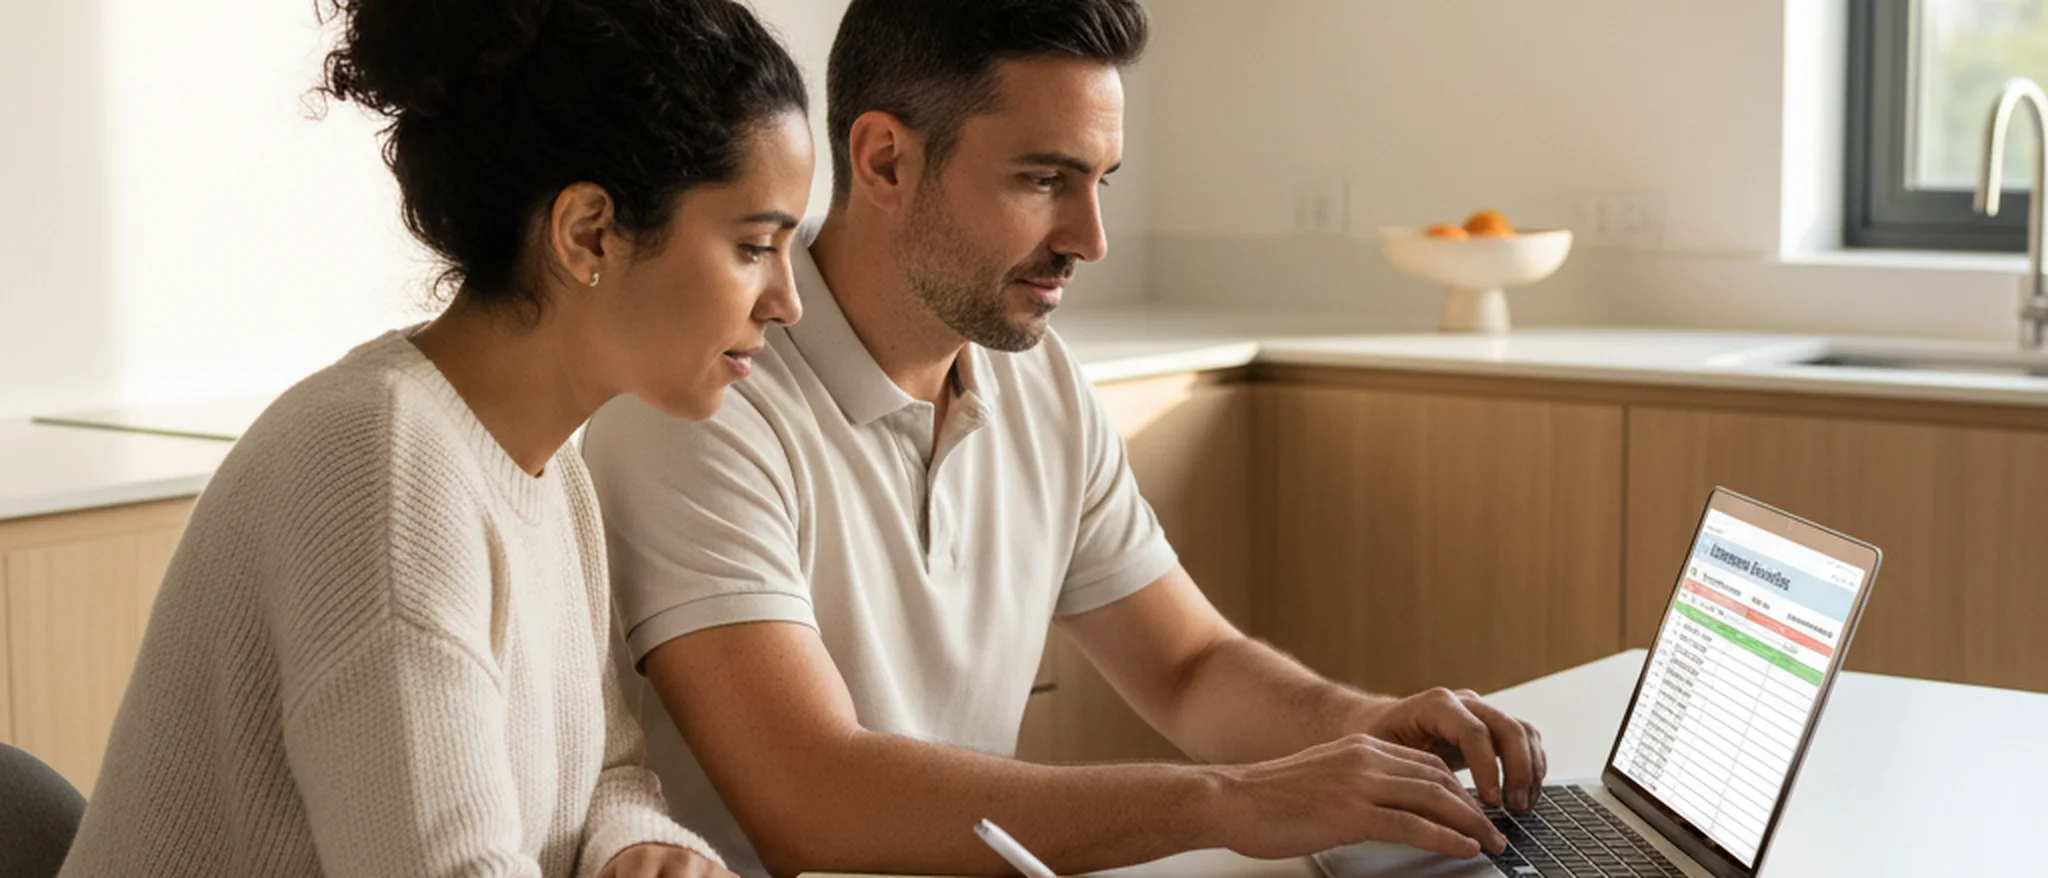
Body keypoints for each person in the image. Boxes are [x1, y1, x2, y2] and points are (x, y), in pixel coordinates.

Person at [583, 1, 1547, 875]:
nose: (1090, 237)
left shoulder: (1035, 377)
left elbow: (1188, 665)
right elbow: (813, 799)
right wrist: (1231, 802)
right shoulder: (706, 400)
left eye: (1099, 182)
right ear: (883, 160)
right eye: (1045, 179)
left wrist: (1366, 729)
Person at [58, 0, 812, 874]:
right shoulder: (381, 466)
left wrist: (638, 845)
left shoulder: (548, 475)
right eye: (756, 245)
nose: (786, 302)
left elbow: (606, 771)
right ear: (588, 232)